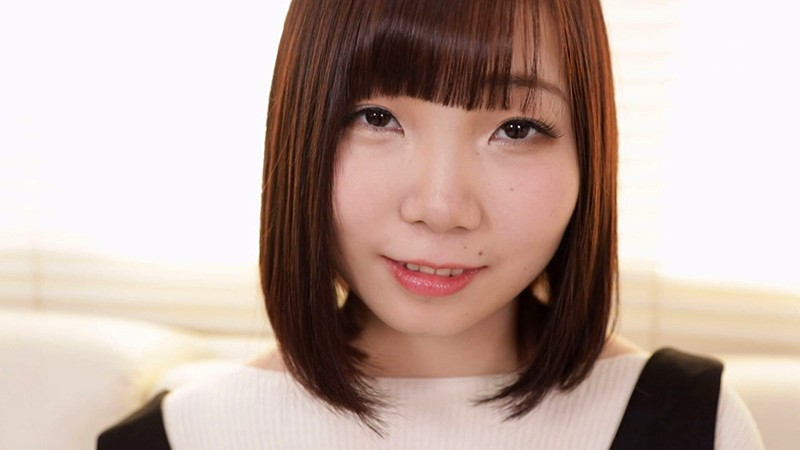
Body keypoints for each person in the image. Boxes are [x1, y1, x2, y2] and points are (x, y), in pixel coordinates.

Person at [98, 0, 764, 448]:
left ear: (590, 153)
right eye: (377, 118)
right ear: (298, 132)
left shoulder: (692, 424)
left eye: (516, 128)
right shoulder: (179, 437)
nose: (441, 207)